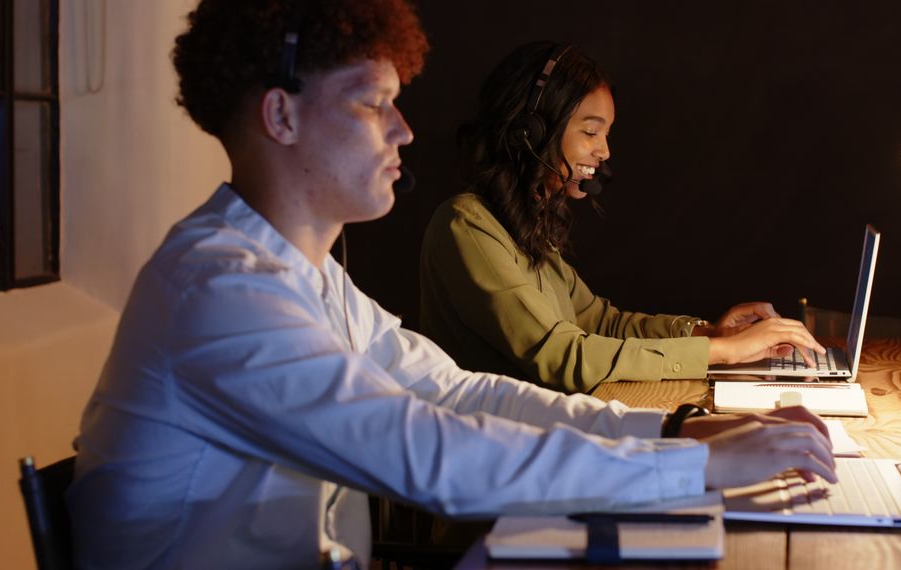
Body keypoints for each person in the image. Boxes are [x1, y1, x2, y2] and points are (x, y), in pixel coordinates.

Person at [66, 2, 836, 568]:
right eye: (375, 104)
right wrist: (698, 467)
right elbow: (428, 453)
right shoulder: (221, 289)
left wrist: (669, 433)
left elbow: (460, 394)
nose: (403, 130)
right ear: (282, 116)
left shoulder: (306, 278)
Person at [420, 42, 826, 394]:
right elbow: (560, 356)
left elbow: (599, 322)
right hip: (503, 456)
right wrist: (722, 352)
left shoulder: (527, 222)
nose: (605, 151)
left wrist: (707, 333)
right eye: (590, 132)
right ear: (530, 131)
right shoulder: (467, 225)